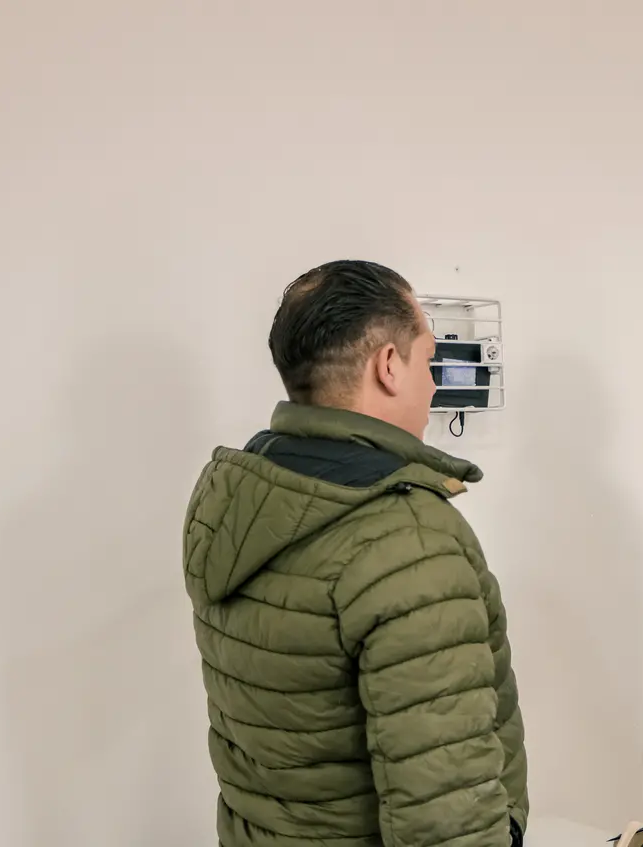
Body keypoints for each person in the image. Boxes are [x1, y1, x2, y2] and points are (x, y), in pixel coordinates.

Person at [182, 260, 529, 847]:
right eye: (428, 360)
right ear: (388, 366)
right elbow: (445, 814)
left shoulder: (235, 502)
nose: (434, 385)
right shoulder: (406, 537)